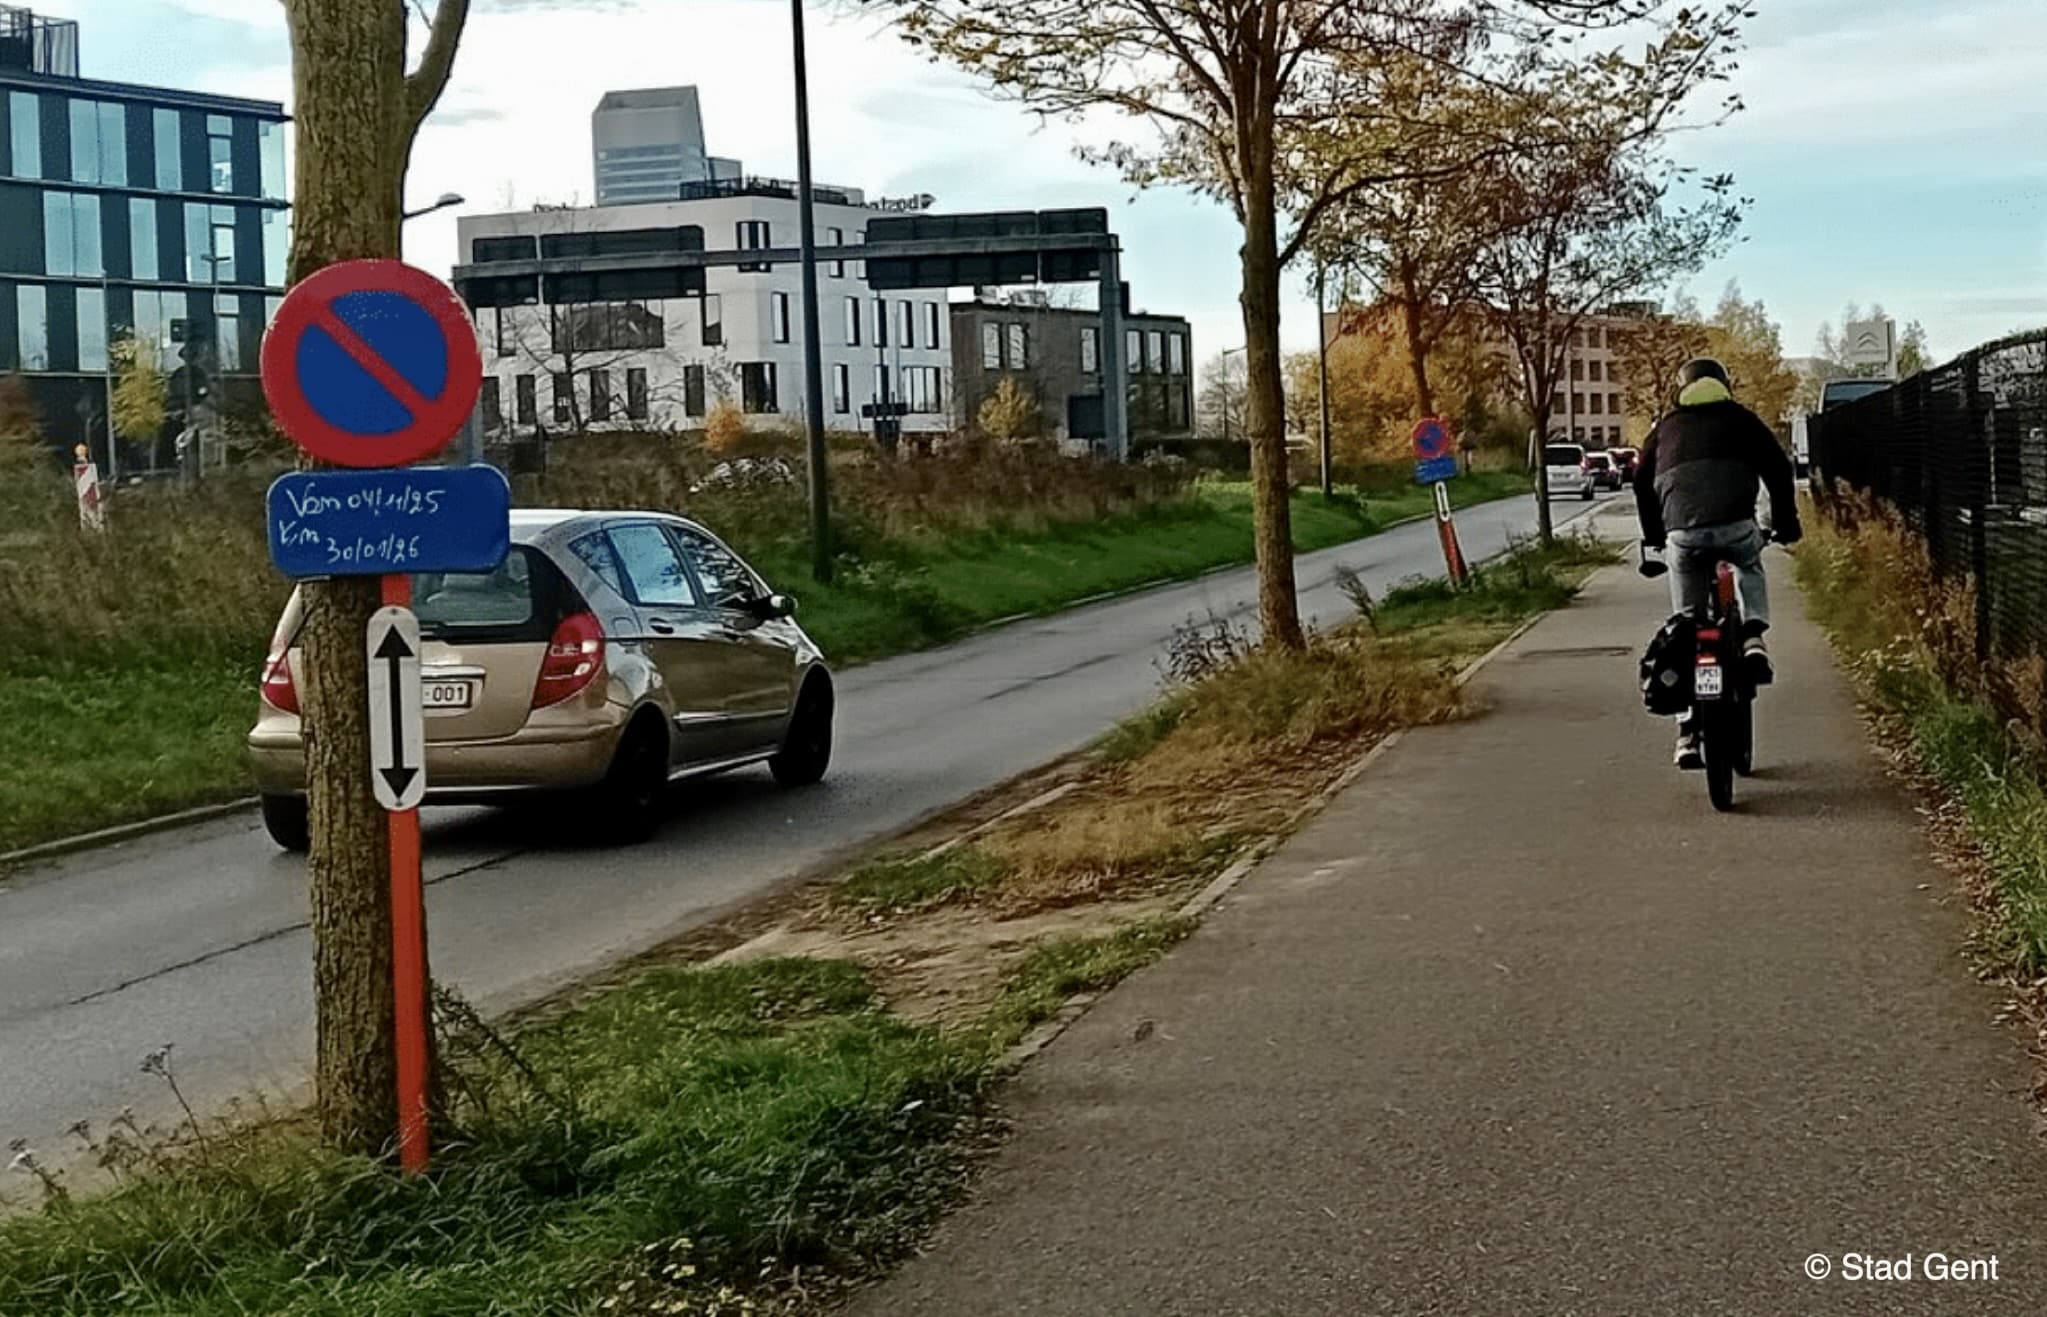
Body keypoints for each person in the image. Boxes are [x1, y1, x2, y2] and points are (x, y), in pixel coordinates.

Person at [1634, 357, 1801, 769]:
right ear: (1724, 385)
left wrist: (1656, 535)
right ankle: (1752, 636)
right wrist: (1785, 524)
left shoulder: (1666, 427)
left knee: (1686, 631)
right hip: (1735, 528)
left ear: (1682, 388)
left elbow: (1640, 480)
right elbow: (1779, 468)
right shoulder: (1742, 420)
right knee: (1748, 562)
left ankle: (1688, 734)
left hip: (1683, 538)